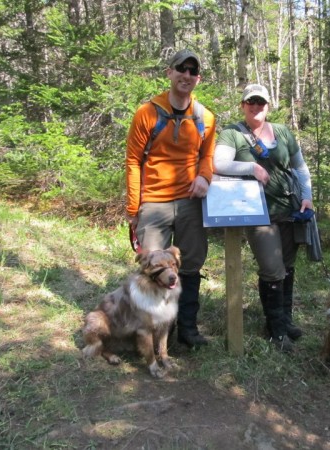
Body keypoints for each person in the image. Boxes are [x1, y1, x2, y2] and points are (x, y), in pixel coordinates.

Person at [213, 84, 314, 353]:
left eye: (261, 102)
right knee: (272, 268)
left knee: (288, 266)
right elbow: (218, 163)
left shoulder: (281, 132)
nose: (255, 106)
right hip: (258, 213)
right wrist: (251, 167)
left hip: (290, 209)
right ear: (243, 105)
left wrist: (307, 197)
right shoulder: (232, 134)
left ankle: (285, 320)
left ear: (268, 105)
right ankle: (276, 330)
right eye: (250, 102)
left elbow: (300, 168)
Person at [125, 49, 216, 348]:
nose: (186, 75)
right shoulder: (147, 113)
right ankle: (148, 333)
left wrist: (204, 176)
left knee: (189, 265)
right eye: (181, 68)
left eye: (192, 71)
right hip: (154, 201)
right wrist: (133, 208)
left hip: (190, 201)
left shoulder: (205, 117)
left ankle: (186, 329)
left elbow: (208, 155)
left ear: (198, 78)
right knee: (152, 265)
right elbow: (133, 161)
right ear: (170, 72)